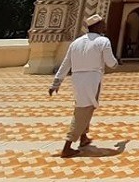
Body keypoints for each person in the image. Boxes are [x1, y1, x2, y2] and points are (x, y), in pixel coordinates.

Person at [48, 13, 118, 158]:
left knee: (84, 106)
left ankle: (83, 137)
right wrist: (117, 62)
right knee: (83, 110)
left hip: (77, 79)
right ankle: (67, 146)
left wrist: (56, 82)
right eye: (102, 24)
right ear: (96, 26)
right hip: (92, 79)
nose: (105, 26)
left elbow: (66, 63)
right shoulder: (103, 41)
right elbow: (111, 63)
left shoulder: (76, 43)